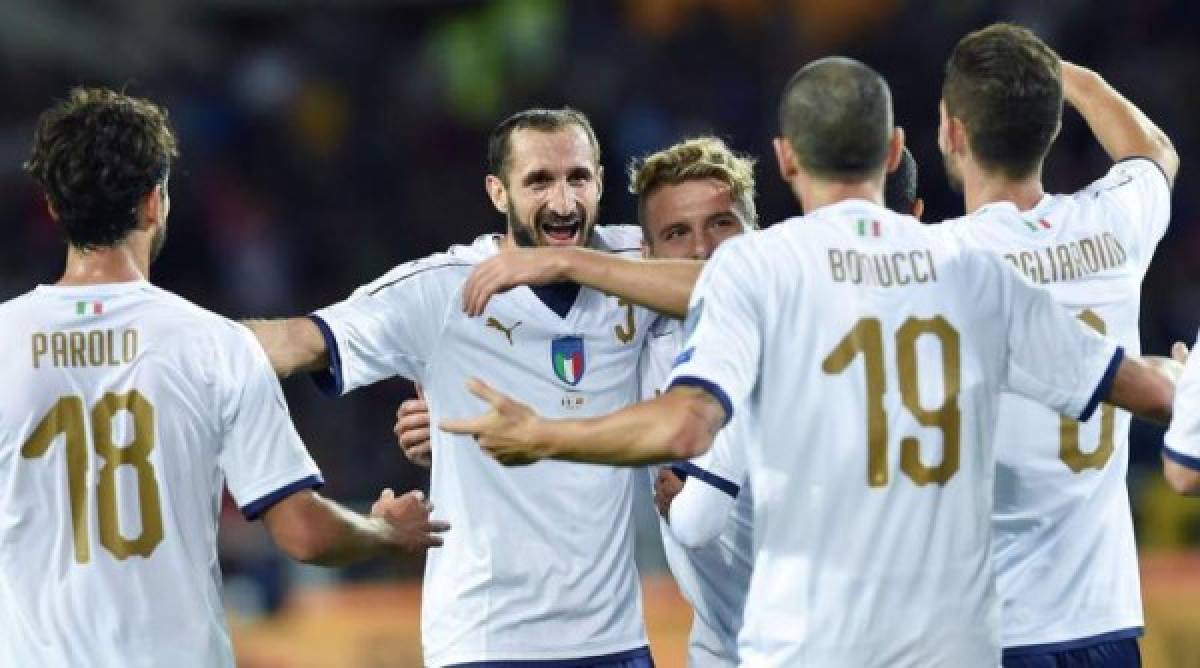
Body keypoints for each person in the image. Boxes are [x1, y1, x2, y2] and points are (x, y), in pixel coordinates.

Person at [440, 58, 1176, 666]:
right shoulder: (971, 263)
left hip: (805, 642)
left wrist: (545, 434)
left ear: (787, 158)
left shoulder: (762, 274)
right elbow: (1139, 388)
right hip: (955, 641)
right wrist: (1183, 380)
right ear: (894, 150)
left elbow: (689, 428)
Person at [394, 137, 924, 666]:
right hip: (723, 642)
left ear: (755, 232)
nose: (701, 250)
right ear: (645, 255)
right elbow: (570, 405)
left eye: (722, 223)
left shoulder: (789, 327)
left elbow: (696, 520)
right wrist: (452, 430)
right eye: (677, 233)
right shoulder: (638, 342)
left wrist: (566, 264)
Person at [0, 87, 446, 668]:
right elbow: (305, 534)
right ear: (155, 202)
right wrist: (387, 532)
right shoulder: (216, 345)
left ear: (55, 208)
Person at [247, 108, 656, 667]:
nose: (563, 203)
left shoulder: (641, 267)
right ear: (498, 192)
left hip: (614, 640)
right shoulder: (440, 290)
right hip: (486, 642)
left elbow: (744, 276)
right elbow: (299, 340)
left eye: (577, 178)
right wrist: (166, 338)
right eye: (539, 181)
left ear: (601, 181)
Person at [936, 23, 1178, 665]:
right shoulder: (1113, 224)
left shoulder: (941, 261)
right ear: (1050, 126)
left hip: (987, 632)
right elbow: (1154, 151)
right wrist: (1069, 77)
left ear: (952, 131)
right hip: (1105, 624)